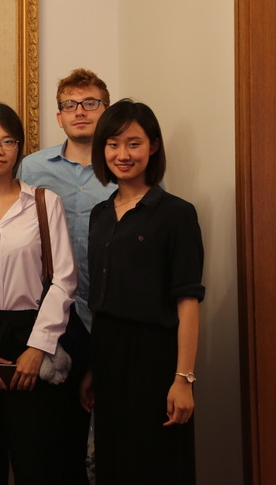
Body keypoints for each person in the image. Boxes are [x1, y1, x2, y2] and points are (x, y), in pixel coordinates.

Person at [0, 102, 85, 485]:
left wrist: (38, 347)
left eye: (7, 141)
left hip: (33, 332)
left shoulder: (44, 202)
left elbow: (64, 279)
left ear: (19, 148)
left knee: (38, 458)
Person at [81, 100, 203, 484]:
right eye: (113, 144)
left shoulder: (176, 213)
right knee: (114, 461)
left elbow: (187, 300)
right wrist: (93, 367)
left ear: (153, 146)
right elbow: (103, 299)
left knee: (156, 462)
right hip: (107, 352)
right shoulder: (100, 214)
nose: (123, 154)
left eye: (133, 143)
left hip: (155, 355)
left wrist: (183, 378)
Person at [18, 68, 115, 331]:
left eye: (90, 103)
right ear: (60, 118)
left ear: (107, 112)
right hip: (50, 308)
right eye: (70, 105)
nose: (79, 112)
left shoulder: (125, 166)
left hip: (114, 306)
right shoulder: (32, 168)